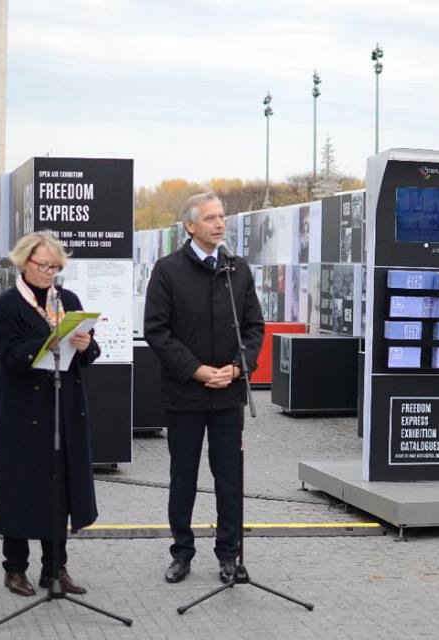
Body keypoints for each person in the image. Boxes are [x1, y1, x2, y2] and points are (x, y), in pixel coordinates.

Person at [144, 193, 264, 585]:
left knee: (230, 478)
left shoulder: (237, 270)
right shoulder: (167, 271)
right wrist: (196, 370)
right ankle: (182, 552)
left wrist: (236, 367)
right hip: (186, 395)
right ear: (190, 226)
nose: (220, 223)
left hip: (228, 392)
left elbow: (254, 328)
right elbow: (157, 332)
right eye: (211, 218)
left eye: (222, 217)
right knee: (184, 477)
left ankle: (229, 554)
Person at [0, 231, 101, 597]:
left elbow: (89, 353)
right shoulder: (7, 306)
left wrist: (85, 345)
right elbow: (7, 357)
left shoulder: (67, 300)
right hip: (24, 411)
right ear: (24, 263)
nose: (51, 272)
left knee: (60, 488)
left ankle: (55, 567)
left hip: (63, 408)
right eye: (44, 265)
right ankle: (15, 568)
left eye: (56, 266)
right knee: (21, 488)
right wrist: (48, 340)